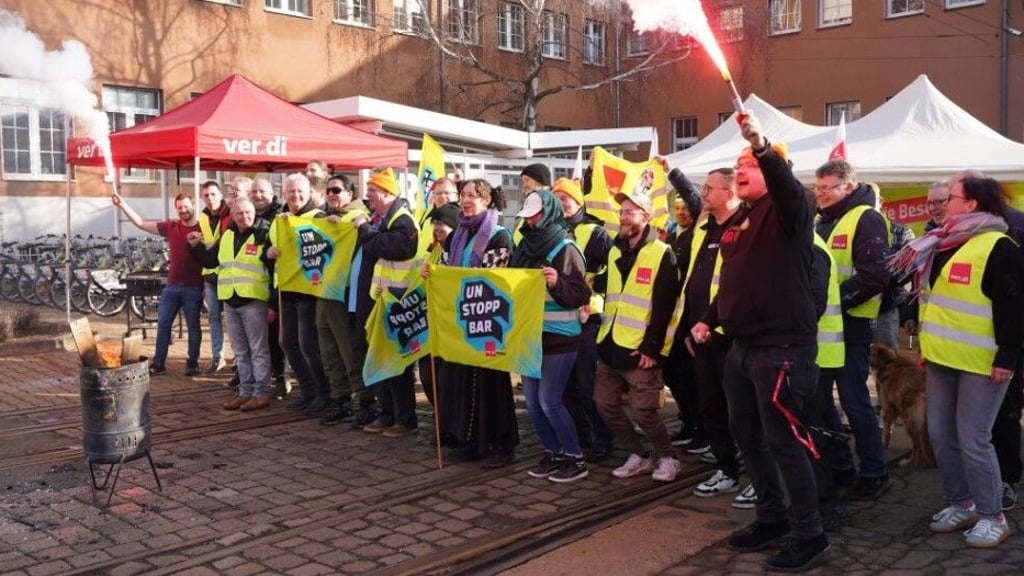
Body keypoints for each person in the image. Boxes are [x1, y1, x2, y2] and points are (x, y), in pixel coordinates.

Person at [691, 113, 829, 572]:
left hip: (782, 350)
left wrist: (763, 146)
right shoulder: (743, 219)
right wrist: (710, 319)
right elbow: (732, 279)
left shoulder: (793, 208)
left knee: (785, 442)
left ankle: (810, 534)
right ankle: (771, 518)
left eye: (750, 162)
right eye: (739, 162)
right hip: (743, 348)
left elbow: (786, 187)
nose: (741, 168)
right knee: (748, 436)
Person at [892, 175, 1023, 548]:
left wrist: (1008, 357)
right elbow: (933, 302)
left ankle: (992, 515)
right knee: (941, 435)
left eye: (949, 197)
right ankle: (961, 502)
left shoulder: (999, 247)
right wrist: (925, 350)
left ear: (971, 204)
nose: (939, 204)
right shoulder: (940, 242)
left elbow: (1013, 308)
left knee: (974, 439)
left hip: (983, 362)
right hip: (939, 360)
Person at [813, 159, 891, 501]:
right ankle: (841, 464)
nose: (820, 194)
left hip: (851, 326)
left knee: (855, 402)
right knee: (819, 401)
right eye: (818, 188)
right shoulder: (822, 222)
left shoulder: (866, 218)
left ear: (848, 186)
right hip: (821, 327)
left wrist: (829, 303)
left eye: (827, 188)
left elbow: (875, 276)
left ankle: (874, 472)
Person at [593, 189, 683, 484]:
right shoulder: (614, 249)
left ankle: (667, 456)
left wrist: (652, 348)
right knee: (604, 404)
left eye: (630, 212)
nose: (623, 217)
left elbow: (665, 307)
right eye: (621, 212)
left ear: (646, 217)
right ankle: (637, 453)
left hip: (640, 348)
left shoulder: (661, 253)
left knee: (646, 411)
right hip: (610, 344)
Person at [429, 179, 520, 467]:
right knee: (461, 379)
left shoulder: (499, 235)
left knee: (489, 383)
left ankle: (500, 443)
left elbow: (494, 276)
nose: (466, 200)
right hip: (461, 318)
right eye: (463, 195)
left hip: (487, 318)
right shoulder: (457, 235)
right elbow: (445, 268)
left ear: (487, 200)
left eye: (472, 195)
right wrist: (431, 272)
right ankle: (470, 439)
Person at [512, 189, 592, 482]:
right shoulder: (523, 246)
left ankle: (575, 457)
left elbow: (580, 294)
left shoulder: (566, 248)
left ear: (548, 213)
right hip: (530, 335)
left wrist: (558, 283)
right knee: (532, 403)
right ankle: (553, 451)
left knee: (549, 401)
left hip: (560, 336)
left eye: (535, 215)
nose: (531, 222)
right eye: (527, 216)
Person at [681, 167, 748, 504]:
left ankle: (756, 471)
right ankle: (726, 467)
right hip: (701, 332)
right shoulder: (704, 227)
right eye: (703, 188)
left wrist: (715, 325)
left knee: (742, 408)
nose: (704, 193)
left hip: (731, 334)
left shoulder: (746, 226)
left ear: (731, 191)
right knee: (711, 405)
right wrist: (690, 327)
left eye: (710, 188)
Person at [187, 198, 274, 410]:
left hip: (253, 300)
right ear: (233, 216)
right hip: (230, 300)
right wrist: (194, 246)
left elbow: (273, 270)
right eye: (240, 213)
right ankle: (245, 392)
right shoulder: (228, 235)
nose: (245, 217)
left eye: (248, 212)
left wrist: (273, 303)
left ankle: (261, 392)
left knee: (258, 350)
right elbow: (211, 261)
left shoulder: (264, 234)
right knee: (240, 351)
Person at [551, 177, 615, 463]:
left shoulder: (596, 232)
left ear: (578, 201)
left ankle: (603, 437)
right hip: (558, 318)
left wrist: (588, 283)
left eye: (567, 197)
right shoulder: (550, 232)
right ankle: (579, 435)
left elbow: (612, 272)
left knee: (586, 383)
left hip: (589, 316)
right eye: (557, 198)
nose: (562, 202)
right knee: (565, 386)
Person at [353, 168, 420, 438]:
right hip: (379, 301)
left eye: (372, 193)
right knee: (380, 358)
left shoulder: (403, 221)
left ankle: (405, 418)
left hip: (396, 303)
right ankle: (387, 413)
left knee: (396, 363)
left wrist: (364, 229)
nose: (367, 197)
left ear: (387, 193)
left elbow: (393, 247)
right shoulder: (381, 218)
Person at [112, 191, 204, 376]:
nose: (183, 210)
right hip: (171, 286)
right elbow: (140, 223)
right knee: (163, 324)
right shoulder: (171, 227)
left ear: (194, 206)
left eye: (186, 206)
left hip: (194, 286)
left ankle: (192, 363)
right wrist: (123, 205)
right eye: (179, 208)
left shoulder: (204, 228)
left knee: (193, 326)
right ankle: (158, 364)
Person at [265, 174, 331, 417]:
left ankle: (323, 393)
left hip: (309, 292)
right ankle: (308, 390)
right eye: (291, 191)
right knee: (287, 344)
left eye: (300, 191)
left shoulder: (319, 217)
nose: (296, 195)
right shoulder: (279, 220)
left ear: (309, 191)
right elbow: (268, 251)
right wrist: (268, 252)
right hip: (285, 290)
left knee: (308, 346)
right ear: (284, 194)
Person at [656, 157, 708, 457]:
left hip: (693, 315)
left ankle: (701, 428)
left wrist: (672, 172)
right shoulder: (675, 234)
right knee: (674, 375)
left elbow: (694, 196)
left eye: (685, 209)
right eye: (677, 209)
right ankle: (688, 422)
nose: (682, 212)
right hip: (674, 316)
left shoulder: (701, 230)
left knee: (691, 377)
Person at [316, 174, 371, 427]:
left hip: (344, 293)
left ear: (351, 193)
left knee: (349, 351)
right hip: (324, 291)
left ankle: (364, 401)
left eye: (337, 190)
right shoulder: (324, 217)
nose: (332, 195)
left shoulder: (358, 216)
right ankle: (340, 399)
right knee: (329, 351)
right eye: (328, 191)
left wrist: (337, 225)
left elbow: (362, 235)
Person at [251, 178, 287, 394]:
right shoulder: (246, 215)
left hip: (277, 287)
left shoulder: (281, 217)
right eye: (254, 191)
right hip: (253, 289)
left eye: (262, 191)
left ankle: (281, 378)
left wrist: (274, 301)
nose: (257, 195)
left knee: (277, 338)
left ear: (272, 193)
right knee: (258, 339)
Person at [197, 180, 231, 374]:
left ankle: (237, 357)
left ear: (220, 195)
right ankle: (218, 356)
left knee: (231, 318)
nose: (210, 199)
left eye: (213, 194)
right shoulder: (202, 217)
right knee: (213, 317)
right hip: (210, 275)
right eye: (206, 196)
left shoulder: (230, 213)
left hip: (227, 273)